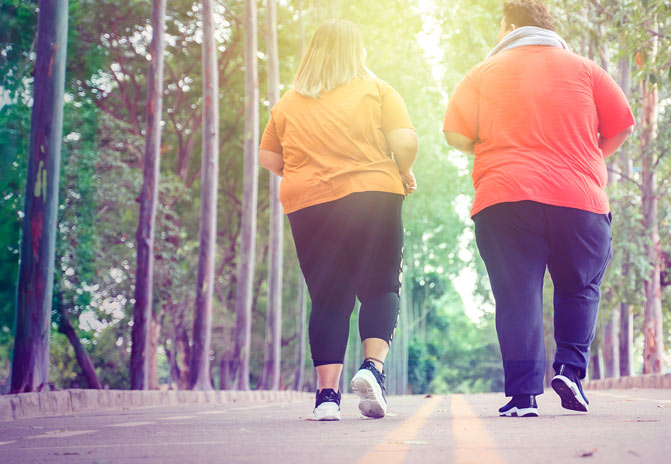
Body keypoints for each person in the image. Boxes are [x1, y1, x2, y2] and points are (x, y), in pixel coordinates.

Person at [443, 0, 634, 417]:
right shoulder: (586, 70)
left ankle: (523, 396)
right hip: (579, 199)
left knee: (517, 297)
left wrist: (489, 141)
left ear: (508, 26)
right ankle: (569, 369)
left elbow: (454, 134)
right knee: (580, 285)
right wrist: (590, 158)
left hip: (506, 198)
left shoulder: (481, 73)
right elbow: (621, 124)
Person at [259, 19, 418, 421]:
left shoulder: (287, 104)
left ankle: (326, 397)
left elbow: (270, 158)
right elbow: (405, 140)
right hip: (373, 194)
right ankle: (372, 369)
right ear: (356, 52)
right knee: (380, 287)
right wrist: (404, 168)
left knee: (329, 297)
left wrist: (308, 173)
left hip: (309, 204)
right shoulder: (377, 90)